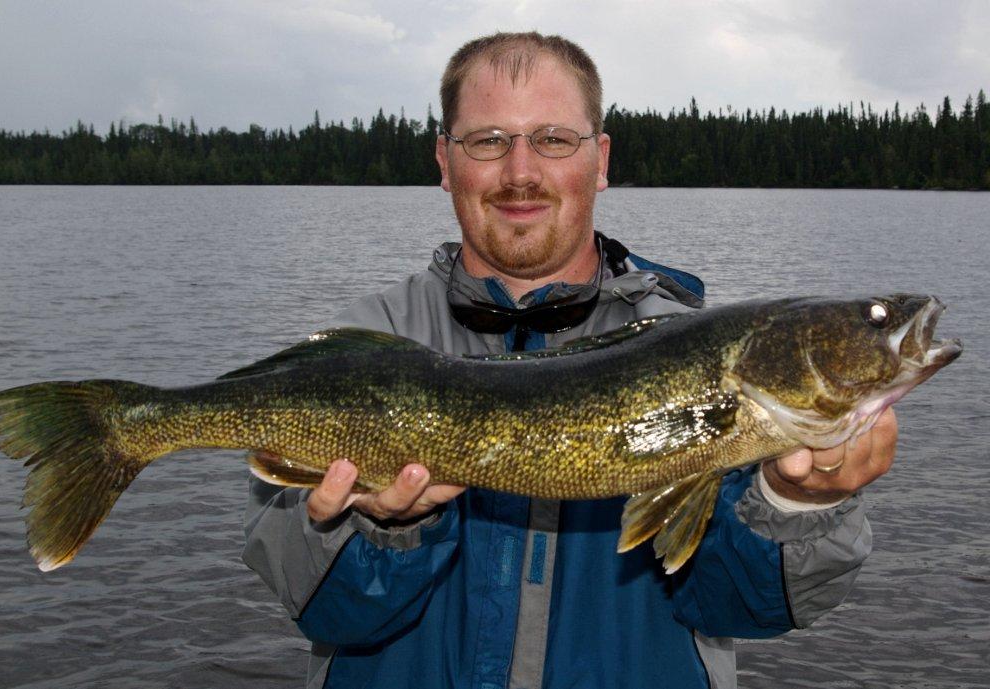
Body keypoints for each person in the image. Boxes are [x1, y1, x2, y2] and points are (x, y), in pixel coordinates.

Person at [243, 32, 897, 689]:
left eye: (554, 138)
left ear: (600, 158)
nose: (521, 171)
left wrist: (796, 504)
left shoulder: (701, 359)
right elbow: (326, 608)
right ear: (446, 161)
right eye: (488, 140)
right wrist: (389, 529)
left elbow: (744, 604)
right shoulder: (367, 348)